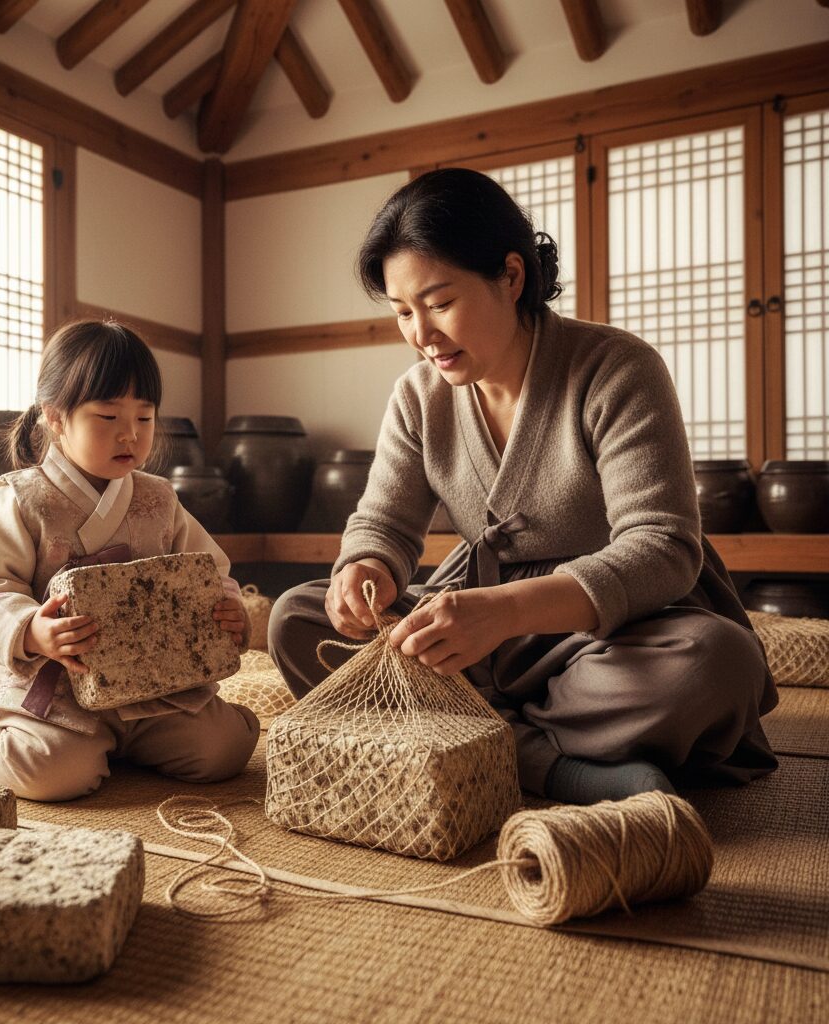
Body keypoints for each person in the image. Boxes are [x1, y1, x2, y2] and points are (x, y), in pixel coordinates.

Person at [268, 167, 777, 806]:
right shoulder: (417, 397)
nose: (421, 335)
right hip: (472, 622)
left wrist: (505, 613)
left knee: (714, 664)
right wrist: (363, 570)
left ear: (510, 277)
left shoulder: (617, 369)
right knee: (297, 619)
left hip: (610, 631)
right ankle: (548, 761)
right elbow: (385, 523)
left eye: (440, 302)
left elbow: (663, 547)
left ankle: (477, 738)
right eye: (403, 312)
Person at [0, 320, 260, 801]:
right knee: (54, 773)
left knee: (225, 749)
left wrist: (227, 609)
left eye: (145, 417)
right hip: (54, 689)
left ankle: (116, 743)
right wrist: (31, 630)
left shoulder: (158, 498)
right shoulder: (23, 498)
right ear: (54, 418)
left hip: (150, 682)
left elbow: (208, 570)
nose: (130, 436)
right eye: (109, 418)